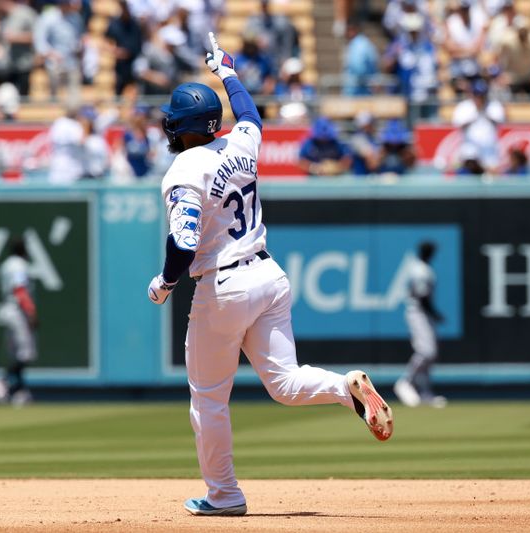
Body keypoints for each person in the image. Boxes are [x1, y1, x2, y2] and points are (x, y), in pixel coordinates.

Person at [147, 32, 393, 517]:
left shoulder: (182, 171)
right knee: (285, 382)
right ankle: (346, 388)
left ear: (181, 127)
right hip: (268, 274)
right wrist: (229, 72)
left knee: (209, 401)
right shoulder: (241, 144)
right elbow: (252, 117)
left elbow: (184, 242)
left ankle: (225, 496)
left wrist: (167, 282)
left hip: (223, 286)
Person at [0, 237, 38, 406]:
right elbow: (20, 289)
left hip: (9, 310)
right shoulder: (18, 266)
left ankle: (19, 391)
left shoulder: (7, 265)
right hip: (17, 312)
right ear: (23, 249)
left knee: (16, 354)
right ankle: (2, 382)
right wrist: (30, 311)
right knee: (26, 352)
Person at [394, 241, 447, 408]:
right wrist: (436, 314)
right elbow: (422, 298)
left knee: (430, 354)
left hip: (422, 313)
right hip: (417, 312)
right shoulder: (420, 270)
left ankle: (425, 393)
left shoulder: (422, 268)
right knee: (426, 351)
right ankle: (405, 382)